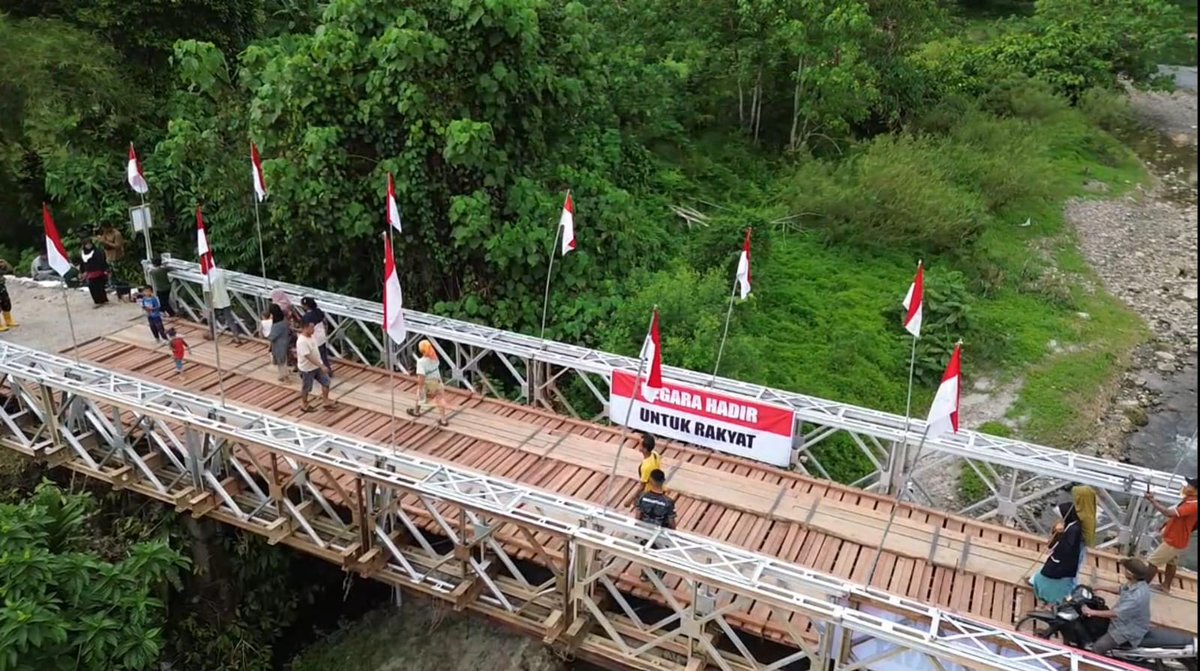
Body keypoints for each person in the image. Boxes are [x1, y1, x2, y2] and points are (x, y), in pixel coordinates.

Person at [1082, 557, 1152, 656]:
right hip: (1121, 621)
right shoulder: (1136, 583)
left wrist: (1091, 612)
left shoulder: (1136, 597)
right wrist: (1099, 587)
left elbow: (1115, 613)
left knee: (1097, 647)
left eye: (1125, 569)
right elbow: (1120, 589)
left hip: (1126, 629)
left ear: (1130, 573)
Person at [1142, 476, 1198, 594]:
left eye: (1189, 486)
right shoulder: (1189, 500)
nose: (1186, 487)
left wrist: (1152, 501)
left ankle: (1141, 587)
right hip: (1180, 539)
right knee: (1171, 562)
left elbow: (1168, 513)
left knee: (1153, 562)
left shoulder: (1193, 504)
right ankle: (1165, 586)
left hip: (1174, 540)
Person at [1031, 501, 1084, 605]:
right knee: (1042, 579)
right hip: (1060, 563)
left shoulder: (1073, 531)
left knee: (1048, 582)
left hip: (1061, 565)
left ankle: (1052, 602)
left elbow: (1066, 548)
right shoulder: (1071, 526)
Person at [635, 469, 677, 581]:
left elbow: (638, 516)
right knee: (660, 554)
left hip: (646, 531)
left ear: (651, 480)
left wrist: (638, 529)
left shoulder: (643, 497)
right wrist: (673, 533)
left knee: (646, 551)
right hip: (661, 533)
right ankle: (657, 577)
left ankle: (645, 574)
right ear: (663, 481)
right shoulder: (668, 502)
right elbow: (671, 522)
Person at [297, 321, 335, 412]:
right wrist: (321, 365)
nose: (313, 330)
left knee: (326, 382)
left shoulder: (312, 337)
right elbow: (308, 356)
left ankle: (326, 400)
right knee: (306, 387)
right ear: (305, 328)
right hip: (307, 369)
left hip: (317, 366)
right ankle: (304, 404)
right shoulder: (302, 341)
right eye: (311, 328)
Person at [203, 267, 244, 344]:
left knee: (211, 319)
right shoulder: (220, 273)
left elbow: (207, 293)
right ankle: (236, 337)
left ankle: (212, 334)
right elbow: (227, 279)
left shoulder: (207, 279)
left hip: (214, 302)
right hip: (224, 300)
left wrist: (208, 306)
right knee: (230, 320)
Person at [414, 339, 449, 426]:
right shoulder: (435, 357)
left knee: (419, 394)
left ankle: (416, 411)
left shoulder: (420, 362)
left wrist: (420, 387)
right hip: (437, 381)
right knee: (440, 398)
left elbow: (421, 377)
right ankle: (443, 420)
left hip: (428, 382)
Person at [626, 432, 663, 507]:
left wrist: (629, 500)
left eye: (640, 444)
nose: (638, 444)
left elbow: (641, 487)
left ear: (645, 449)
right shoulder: (655, 454)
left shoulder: (646, 467)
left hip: (649, 492)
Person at [299, 297, 333, 377]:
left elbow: (304, 329)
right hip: (322, 335)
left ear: (306, 306)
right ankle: (328, 371)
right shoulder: (319, 311)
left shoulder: (306, 317)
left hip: (314, 338)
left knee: (314, 357)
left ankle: (318, 373)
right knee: (323, 355)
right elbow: (324, 322)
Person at [79, 240, 109, 307]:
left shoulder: (97, 252)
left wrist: (104, 270)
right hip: (89, 273)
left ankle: (103, 300)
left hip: (98, 272)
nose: (88, 246)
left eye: (89, 244)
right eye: (87, 245)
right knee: (92, 287)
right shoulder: (83, 253)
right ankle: (97, 301)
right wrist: (82, 271)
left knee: (100, 287)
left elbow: (102, 261)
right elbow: (82, 263)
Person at [265, 304, 290, 381]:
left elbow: (271, 337)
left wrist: (266, 335)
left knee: (281, 361)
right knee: (284, 360)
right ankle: (284, 375)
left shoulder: (276, 325)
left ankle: (284, 376)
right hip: (285, 342)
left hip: (279, 345)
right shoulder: (284, 321)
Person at [0, 259, 18, 332]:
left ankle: (8, 320)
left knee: (6, 302)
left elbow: (9, 270)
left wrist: (4, 265)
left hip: (1, 285)